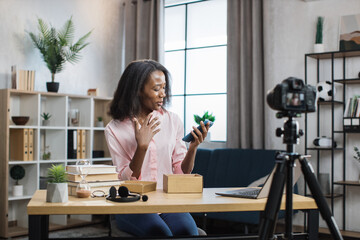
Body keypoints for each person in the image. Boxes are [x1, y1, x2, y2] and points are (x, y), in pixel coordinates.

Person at [104, 59, 210, 237]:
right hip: (132, 204)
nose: (163, 94)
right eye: (156, 89)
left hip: (167, 202)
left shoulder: (172, 120)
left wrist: (192, 148)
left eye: (164, 88)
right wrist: (142, 147)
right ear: (137, 90)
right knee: (160, 233)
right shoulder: (114, 129)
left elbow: (180, 172)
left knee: (189, 232)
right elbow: (125, 179)